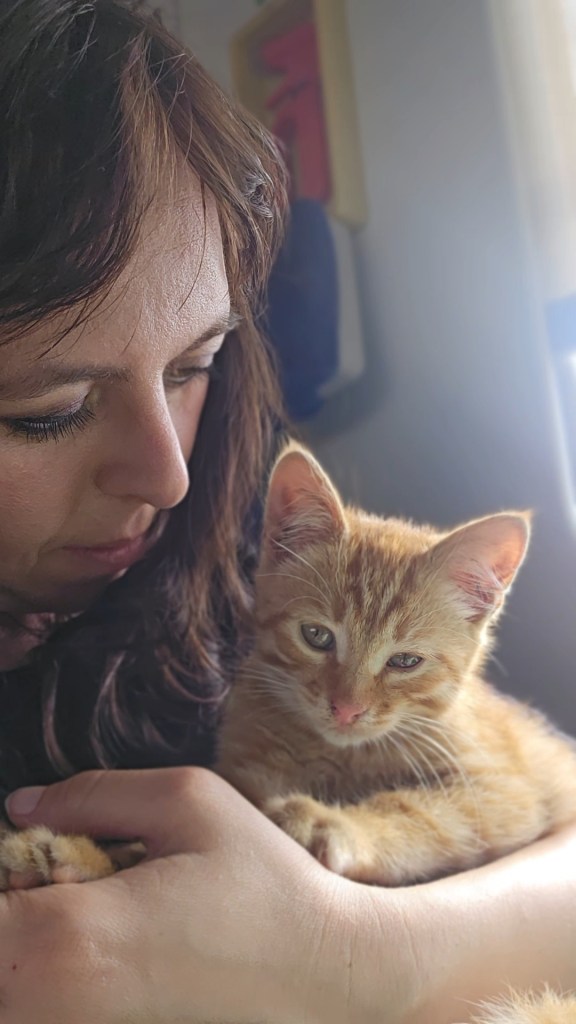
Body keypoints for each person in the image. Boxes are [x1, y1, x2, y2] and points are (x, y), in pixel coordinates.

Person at [0, 2, 574, 1021]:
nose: (171, 475)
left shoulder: (228, 561)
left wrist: (351, 955)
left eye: (195, 364)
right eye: (51, 412)